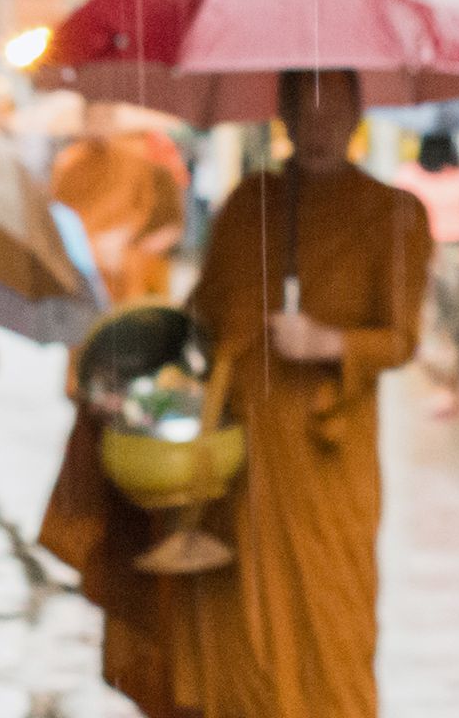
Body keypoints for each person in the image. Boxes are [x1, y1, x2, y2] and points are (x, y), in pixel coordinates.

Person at [42, 70, 431, 718]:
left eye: (332, 114)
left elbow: (401, 340)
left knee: (330, 629)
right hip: (233, 455)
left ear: (358, 115)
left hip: (323, 464)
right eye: (301, 115)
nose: (317, 131)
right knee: (228, 634)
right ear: (279, 118)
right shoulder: (249, 203)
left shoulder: (393, 214)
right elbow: (199, 326)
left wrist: (329, 343)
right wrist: (132, 377)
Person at [394, 132, 459, 416]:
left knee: (431, 325)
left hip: (425, 255)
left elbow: (400, 219)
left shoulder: (408, 176)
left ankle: (445, 389)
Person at [52, 100, 187, 307]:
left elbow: (145, 208)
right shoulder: (69, 164)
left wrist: (124, 239)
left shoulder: (134, 163)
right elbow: (60, 212)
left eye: (105, 117)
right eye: (93, 118)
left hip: (125, 263)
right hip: (81, 261)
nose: (98, 125)